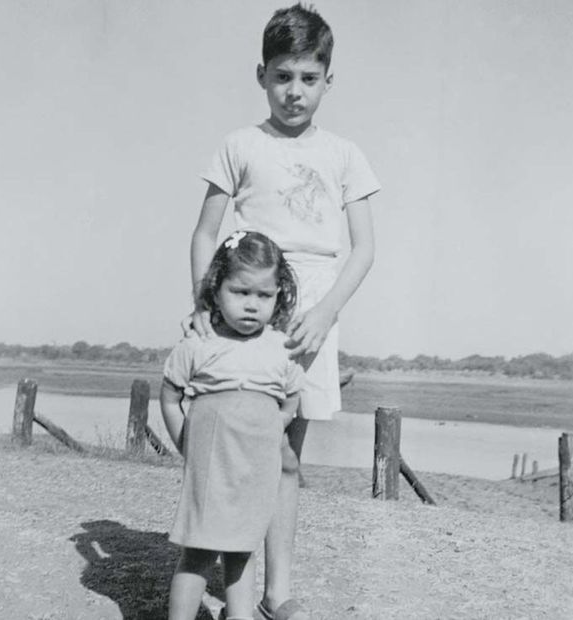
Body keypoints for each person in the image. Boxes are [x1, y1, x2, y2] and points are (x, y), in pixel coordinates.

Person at [185, 5, 380, 619]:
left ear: (328, 80)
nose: (294, 91)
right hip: (250, 301)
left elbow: (365, 247)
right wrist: (202, 306)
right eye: (282, 76)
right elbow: (204, 233)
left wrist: (324, 314)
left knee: (287, 455)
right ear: (261, 74)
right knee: (236, 448)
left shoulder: (346, 154)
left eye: (308, 77)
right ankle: (215, 573)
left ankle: (275, 592)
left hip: (310, 314)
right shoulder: (239, 144)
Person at [161, 230, 304, 620]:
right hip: (212, 461)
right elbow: (171, 395)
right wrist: (184, 441)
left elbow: (291, 395)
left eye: (264, 295)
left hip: (255, 463)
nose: (252, 305)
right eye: (240, 292)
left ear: (279, 295)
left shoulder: (280, 346)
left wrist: (277, 423)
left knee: (243, 547)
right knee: (200, 548)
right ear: (215, 289)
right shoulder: (199, 343)